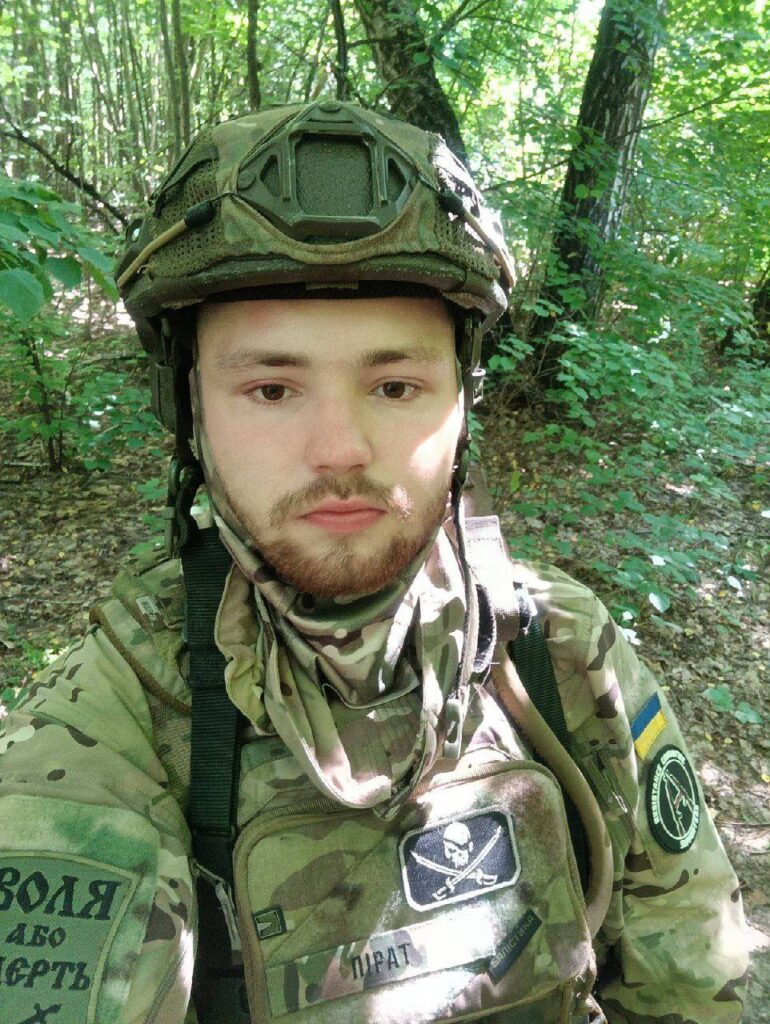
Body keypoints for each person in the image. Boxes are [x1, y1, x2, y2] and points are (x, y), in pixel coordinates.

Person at [0, 100, 748, 1024]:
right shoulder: (102, 732)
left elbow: (694, 980)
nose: (341, 448)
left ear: (462, 405)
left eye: (395, 386)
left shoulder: (559, 653)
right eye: (272, 388)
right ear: (189, 408)